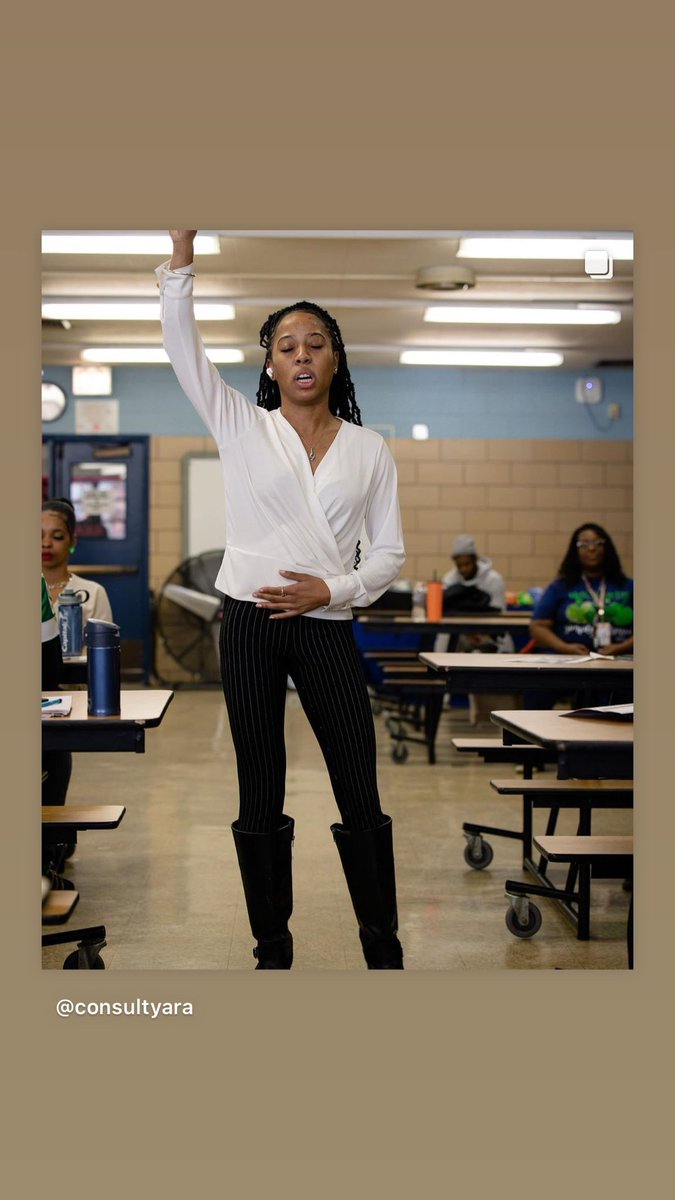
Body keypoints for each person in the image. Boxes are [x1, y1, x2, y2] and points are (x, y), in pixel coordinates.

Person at [156, 229, 407, 970]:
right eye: (287, 346)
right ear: (270, 363)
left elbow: (388, 554)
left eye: (316, 344)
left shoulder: (369, 448)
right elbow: (182, 348)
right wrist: (181, 258)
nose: (302, 355)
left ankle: (383, 945)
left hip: (327, 625)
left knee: (358, 786)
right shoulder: (242, 424)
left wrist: (333, 588)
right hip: (250, 622)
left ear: (336, 359)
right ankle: (271, 946)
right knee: (259, 787)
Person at [526, 522, 633, 709]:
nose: (591, 549)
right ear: (574, 551)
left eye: (598, 543)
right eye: (584, 544)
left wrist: (620, 647)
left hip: (620, 658)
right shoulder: (561, 586)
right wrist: (565, 647)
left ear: (607, 548)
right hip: (570, 658)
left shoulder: (628, 586)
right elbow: (538, 626)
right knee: (536, 686)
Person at [41, 498, 113, 625]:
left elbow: (102, 637)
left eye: (57, 536)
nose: (46, 544)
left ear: (72, 542)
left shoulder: (93, 593)